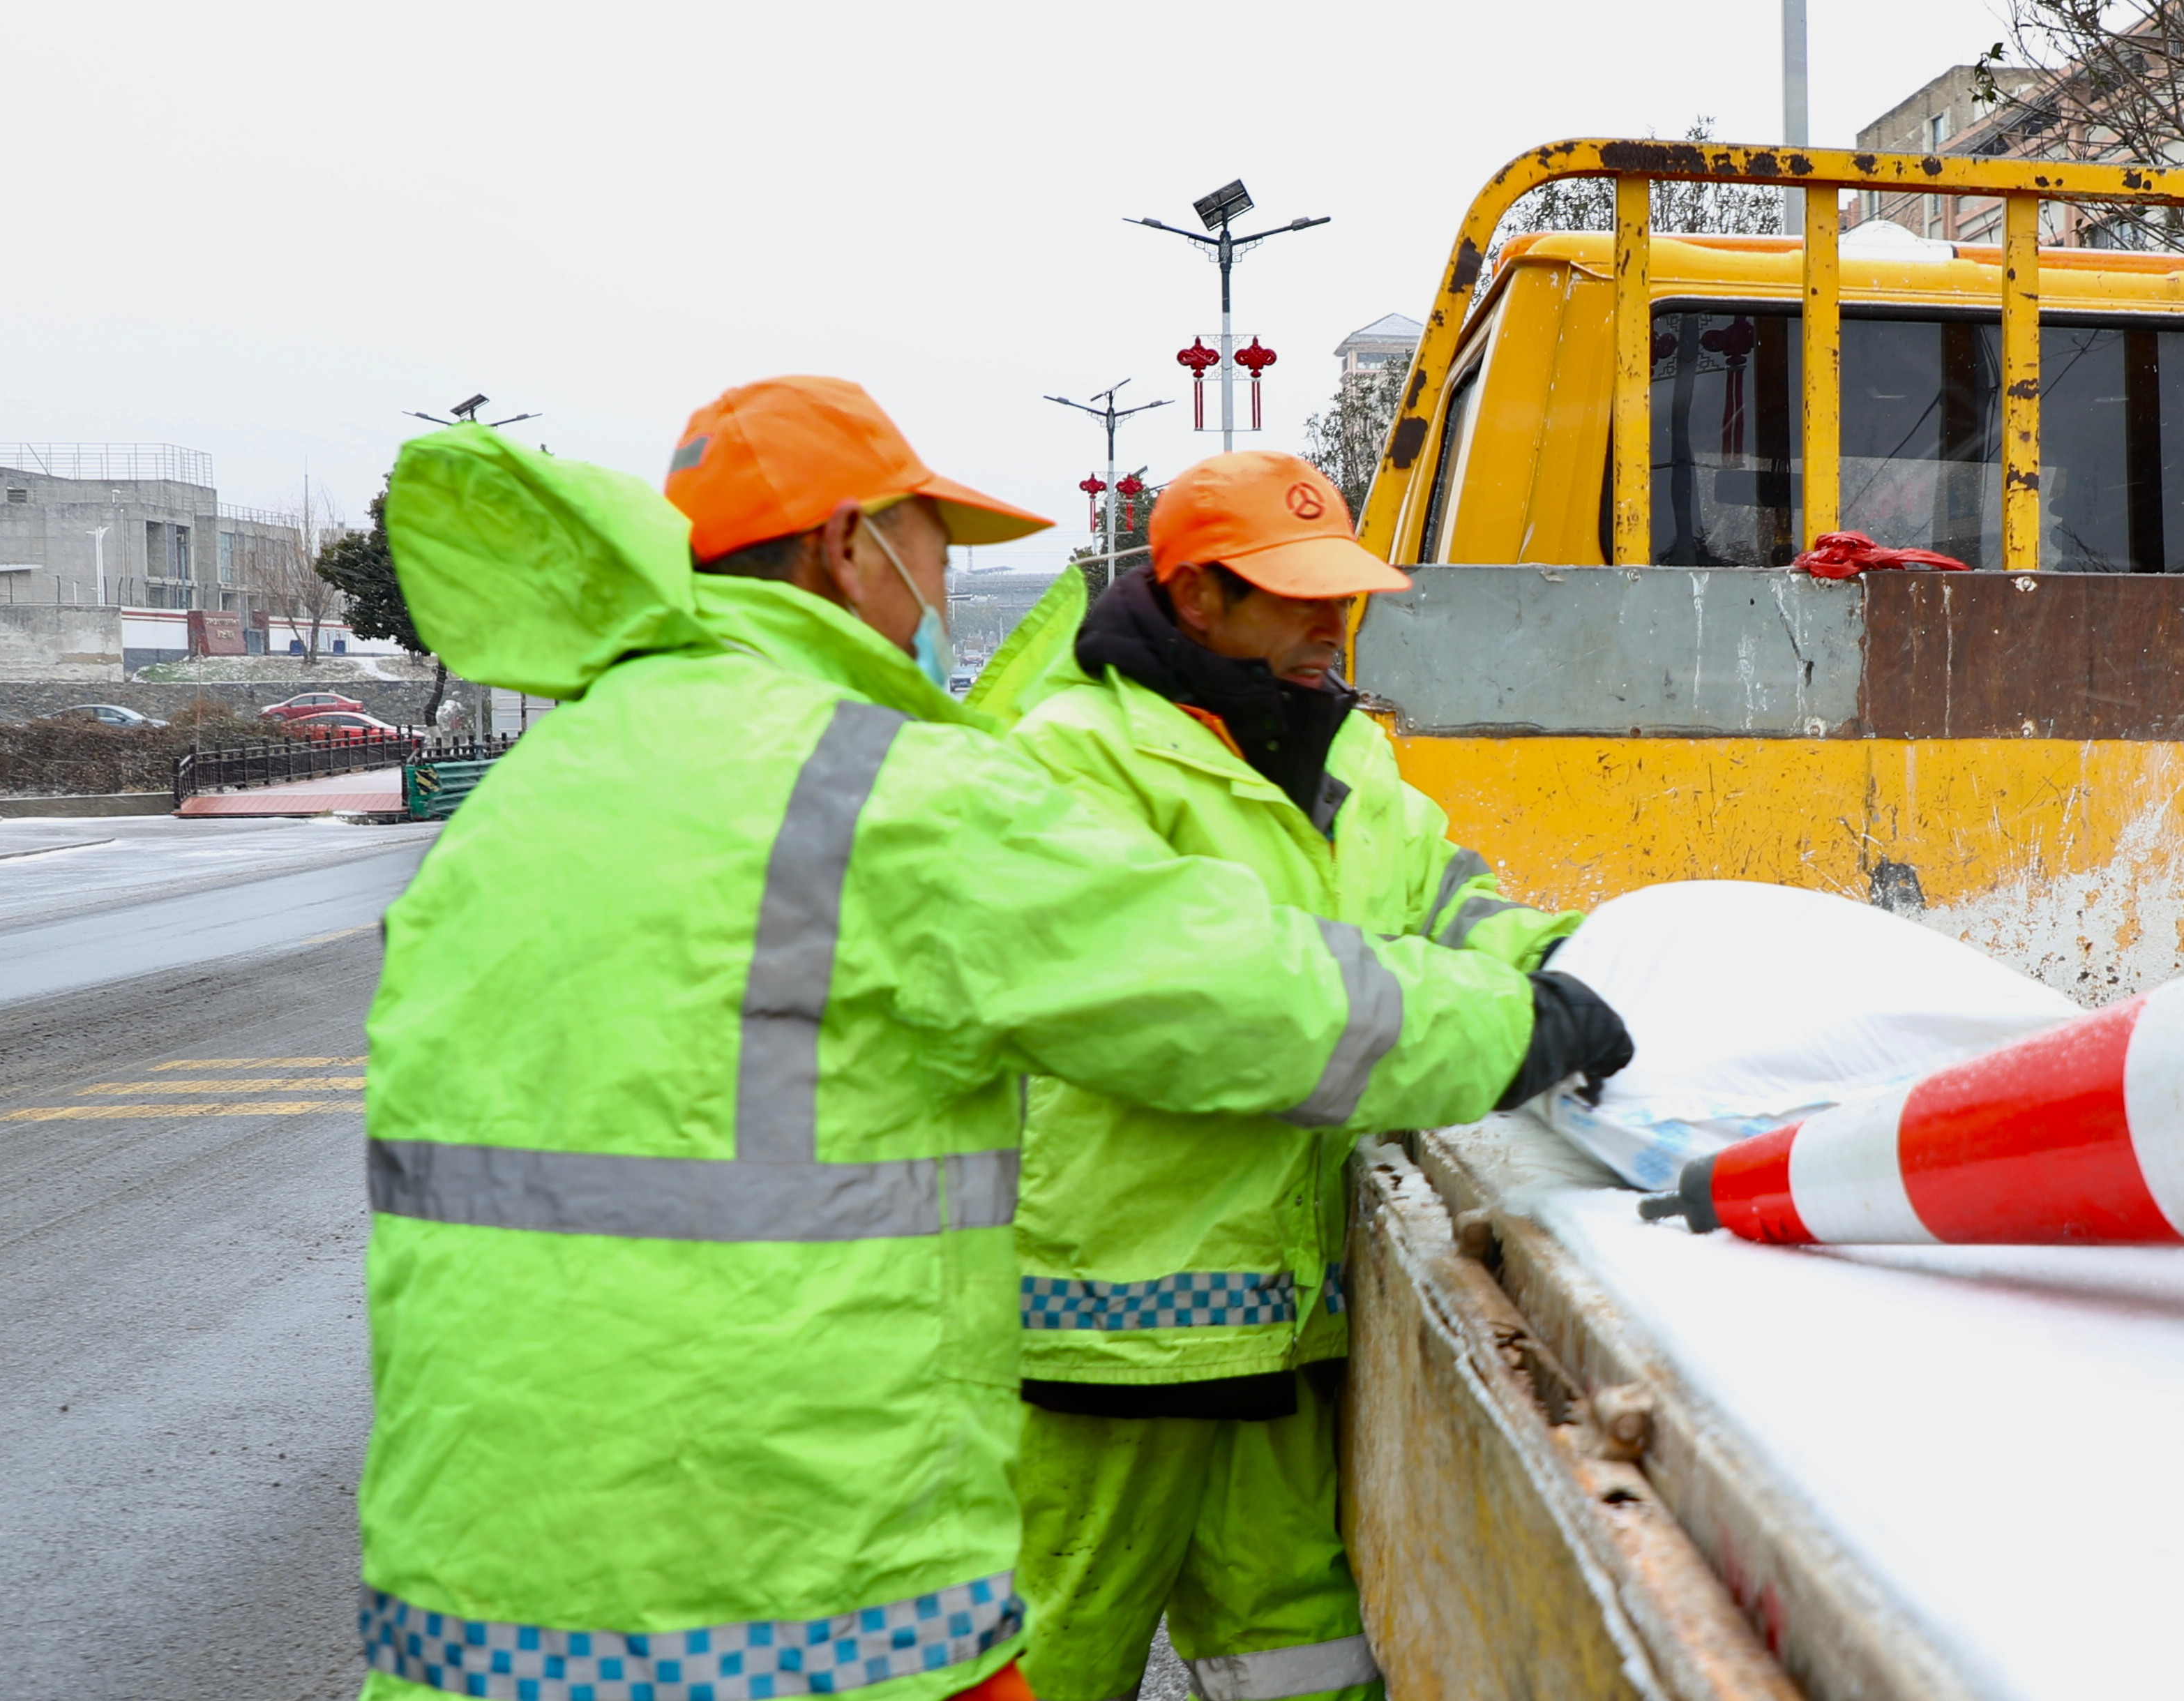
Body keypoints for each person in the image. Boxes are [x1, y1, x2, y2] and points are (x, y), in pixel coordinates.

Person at [354, 382, 1627, 1701]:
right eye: (935, 547)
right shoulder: (875, 785)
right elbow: (1215, 983)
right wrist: (1510, 1028)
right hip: (788, 1578)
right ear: (850, 546)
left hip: (480, 1603)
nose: (941, 587)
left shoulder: (524, 801)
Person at [1004, 450, 1630, 1701]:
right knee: (1047, 1648)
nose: (1326, 625)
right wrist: (1510, 1033)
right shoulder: (1072, 760)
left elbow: (1451, 910)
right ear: (1195, 598)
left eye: (1338, 595)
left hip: (1286, 1324)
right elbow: (1211, 1004)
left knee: (1301, 1649)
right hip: (1109, 1330)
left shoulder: (1351, 760)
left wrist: (1590, 964)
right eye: (1291, 597)